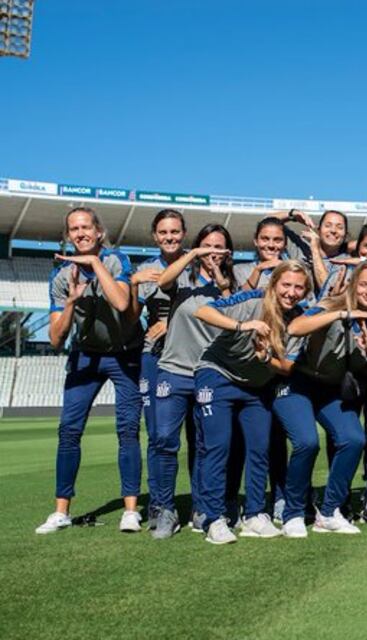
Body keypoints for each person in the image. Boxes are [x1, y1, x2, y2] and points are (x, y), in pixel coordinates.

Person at [36, 207, 144, 535]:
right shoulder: (60, 277)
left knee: (127, 430)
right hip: (85, 356)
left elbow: (123, 303)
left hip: (125, 354)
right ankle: (61, 511)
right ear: (68, 235)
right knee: (69, 430)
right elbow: (56, 338)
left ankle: (130, 511)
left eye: (86, 227)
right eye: (74, 229)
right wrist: (70, 301)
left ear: (98, 232)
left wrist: (95, 264)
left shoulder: (115, 260)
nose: (80, 233)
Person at [277, 260, 367, 536]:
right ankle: (293, 513)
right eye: (364, 284)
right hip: (298, 382)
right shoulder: (332, 303)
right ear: (355, 285)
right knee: (307, 442)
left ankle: (330, 511)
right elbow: (296, 327)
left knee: (353, 439)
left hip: (330, 389)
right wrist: (340, 314)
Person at [192, 261, 310, 544]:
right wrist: (244, 326)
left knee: (259, 449)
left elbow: (288, 366)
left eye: (299, 287)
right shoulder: (252, 299)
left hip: (256, 387)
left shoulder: (299, 318)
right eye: (286, 284)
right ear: (274, 284)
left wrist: (265, 358)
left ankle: (255, 514)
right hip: (216, 375)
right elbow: (202, 311)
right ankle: (213, 518)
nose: (291, 292)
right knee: (218, 446)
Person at [148, 224, 236, 539]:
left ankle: (202, 508)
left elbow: (234, 317)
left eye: (220, 247)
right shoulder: (183, 276)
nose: (214, 251)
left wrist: (224, 285)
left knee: (204, 445)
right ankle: (164, 509)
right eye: (208, 245)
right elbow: (164, 281)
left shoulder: (232, 283)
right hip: (173, 370)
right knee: (164, 440)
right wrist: (194, 255)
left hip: (208, 373)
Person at [129, 209, 191, 529]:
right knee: (158, 436)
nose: (170, 237)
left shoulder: (195, 267)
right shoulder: (145, 269)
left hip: (192, 358)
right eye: (164, 232)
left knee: (200, 437)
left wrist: (172, 322)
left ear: (184, 233)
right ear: (155, 236)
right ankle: (160, 505)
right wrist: (133, 285)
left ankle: (203, 504)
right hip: (153, 357)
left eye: (175, 232)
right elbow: (130, 317)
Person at [235, 217, 288, 291]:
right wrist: (258, 269)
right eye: (265, 239)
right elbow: (237, 300)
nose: (271, 245)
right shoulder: (240, 270)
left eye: (277, 240)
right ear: (256, 241)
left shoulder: (294, 272)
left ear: (285, 244)